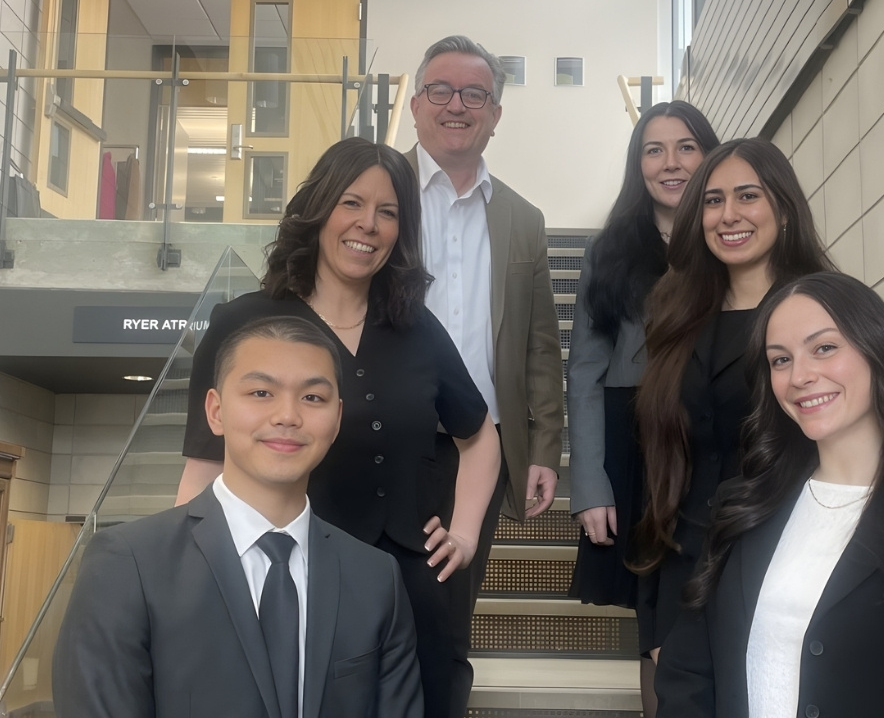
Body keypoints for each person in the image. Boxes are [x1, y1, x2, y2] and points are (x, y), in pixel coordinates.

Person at [176, 138, 501, 718]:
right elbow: (204, 464)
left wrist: (467, 535)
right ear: (319, 208)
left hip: (412, 582)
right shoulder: (243, 322)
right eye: (352, 203)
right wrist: (190, 569)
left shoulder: (415, 328)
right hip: (284, 574)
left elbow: (479, 436)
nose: (368, 225)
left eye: (388, 212)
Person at [655, 271, 884, 717]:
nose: (800, 376)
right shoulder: (743, 508)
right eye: (780, 360)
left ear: (879, 351)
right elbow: (688, 671)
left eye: (824, 348)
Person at [54, 316, 423, 718]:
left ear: (336, 419)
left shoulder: (375, 578)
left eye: (312, 398)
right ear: (215, 411)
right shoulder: (128, 564)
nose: (287, 416)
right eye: (261, 392)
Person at [631, 138, 835, 710]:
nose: (729, 215)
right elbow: (660, 465)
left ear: (784, 207)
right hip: (684, 567)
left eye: (748, 196)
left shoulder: (826, 314)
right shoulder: (674, 316)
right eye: (713, 201)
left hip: (790, 565)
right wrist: (654, 609)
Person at [564, 100, 718, 709]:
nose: (672, 162)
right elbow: (584, 369)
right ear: (638, 165)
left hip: (713, 435)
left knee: (710, 595)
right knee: (653, 615)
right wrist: (591, 484)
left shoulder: (727, 233)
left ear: (708, 154)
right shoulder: (612, 250)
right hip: (636, 443)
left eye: (686, 146)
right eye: (655, 150)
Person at [404, 35, 565, 609]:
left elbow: (541, 347)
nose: (457, 105)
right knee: (367, 606)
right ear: (415, 103)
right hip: (386, 436)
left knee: (452, 610)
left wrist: (545, 445)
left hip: (482, 447)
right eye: (440, 90)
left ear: (495, 115)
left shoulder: (523, 219)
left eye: (475, 94)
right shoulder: (375, 194)